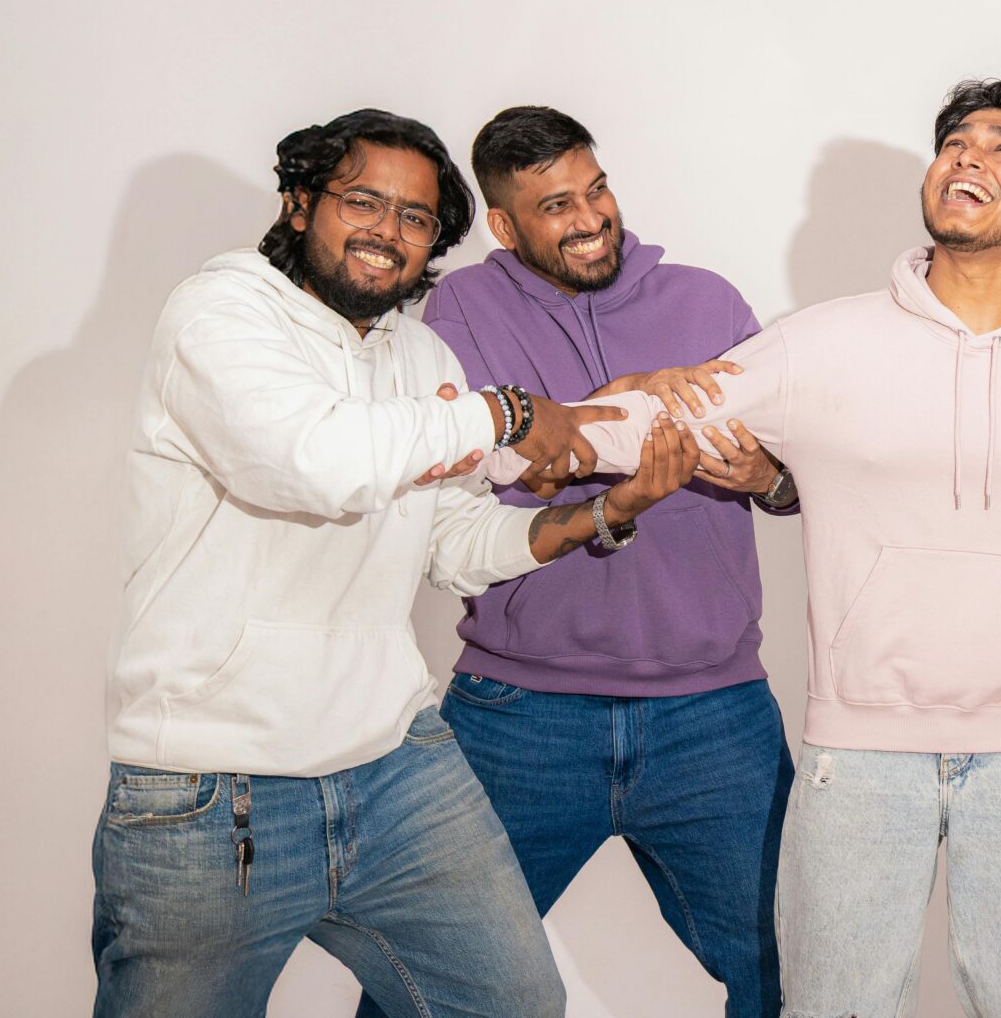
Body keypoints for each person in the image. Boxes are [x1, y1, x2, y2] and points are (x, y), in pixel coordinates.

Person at [483, 80, 1001, 1017]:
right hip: (859, 751)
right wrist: (523, 431)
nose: (965, 156)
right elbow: (657, 418)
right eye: (955, 141)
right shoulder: (821, 342)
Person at [93, 109, 706, 1018]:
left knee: (515, 1003)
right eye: (363, 201)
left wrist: (597, 516)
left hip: (395, 766)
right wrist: (505, 414)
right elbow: (316, 462)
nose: (389, 231)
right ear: (301, 204)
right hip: (213, 787)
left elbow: (455, 541)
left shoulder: (417, 356)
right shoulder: (221, 312)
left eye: (416, 219)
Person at [351, 105, 798, 1018]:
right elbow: (485, 467)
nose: (591, 217)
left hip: (713, 712)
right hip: (520, 716)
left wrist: (770, 475)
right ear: (507, 227)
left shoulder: (710, 303)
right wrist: (618, 407)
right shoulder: (462, 311)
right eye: (556, 206)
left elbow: (803, 474)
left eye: (596, 189)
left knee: (796, 966)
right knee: (423, 985)